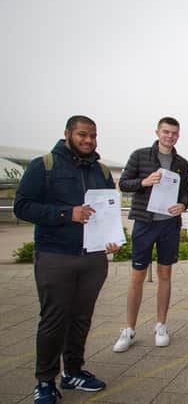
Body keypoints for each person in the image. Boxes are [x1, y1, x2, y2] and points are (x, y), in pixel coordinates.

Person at [14, 116, 120, 404]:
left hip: (94, 257)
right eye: (83, 135)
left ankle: (73, 371)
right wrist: (66, 214)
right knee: (53, 320)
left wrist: (113, 238)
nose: (89, 140)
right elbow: (22, 206)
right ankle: (45, 380)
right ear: (68, 134)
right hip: (55, 254)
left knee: (81, 319)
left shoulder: (101, 170)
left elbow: (109, 207)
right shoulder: (44, 165)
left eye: (93, 136)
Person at [113, 117, 188, 352]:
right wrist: (144, 181)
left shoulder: (181, 162)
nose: (170, 136)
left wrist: (183, 206)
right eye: (166, 132)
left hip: (168, 224)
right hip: (145, 223)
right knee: (137, 276)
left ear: (178, 135)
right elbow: (123, 184)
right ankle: (129, 329)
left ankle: (161, 325)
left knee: (165, 275)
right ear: (157, 132)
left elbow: (184, 192)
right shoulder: (140, 155)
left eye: (174, 133)